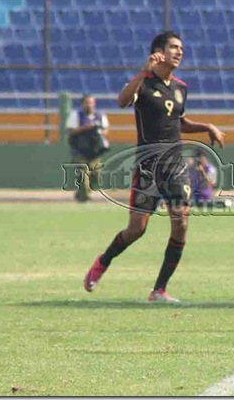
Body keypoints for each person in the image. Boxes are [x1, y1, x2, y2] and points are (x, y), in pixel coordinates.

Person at [82, 31, 225, 302]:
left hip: (174, 164)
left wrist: (207, 127)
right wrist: (141, 72)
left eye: (181, 47)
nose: (179, 52)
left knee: (181, 222)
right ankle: (103, 262)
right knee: (137, 229)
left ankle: (159, 289)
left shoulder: (181, 87)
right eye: (173, 47)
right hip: (148, 166)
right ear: (158, 52)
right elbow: (122, 101)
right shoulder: (144, 83)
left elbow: (179, 122)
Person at [66, 94, 109, 202]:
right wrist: (85, 128)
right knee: (83, 173)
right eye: (87, 103)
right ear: (82, 104)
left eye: (91, 103)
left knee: (95, 175)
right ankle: (85, 197)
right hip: (80, 149)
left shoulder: (99, 115)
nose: (90, 105)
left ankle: (81, 193)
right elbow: (71, 131)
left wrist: (98, 131)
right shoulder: (76, 115)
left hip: (94, 151)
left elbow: (106, 130)